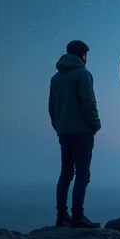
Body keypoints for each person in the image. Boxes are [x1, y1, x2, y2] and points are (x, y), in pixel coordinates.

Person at [49, 40, 102, 228]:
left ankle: (61, 216)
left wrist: (59, 127)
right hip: (82, 132)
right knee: (82, 174)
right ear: (83, 55)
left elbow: (52, 108)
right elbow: (89, 103)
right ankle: (78, 217)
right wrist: (95, 125)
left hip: (64, 132)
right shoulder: (82, 74)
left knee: (65, 174)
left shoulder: (56, 78)